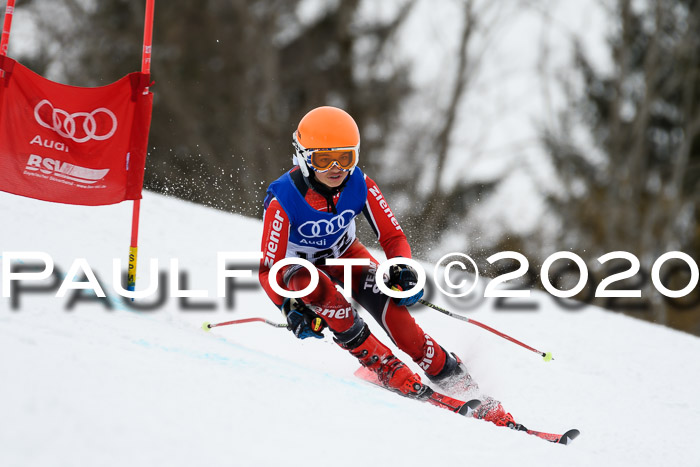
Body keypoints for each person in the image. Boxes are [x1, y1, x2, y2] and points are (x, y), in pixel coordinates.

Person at [258, 106, 513, 426]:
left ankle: (452, 376)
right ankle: (385, 366)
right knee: (328, 298)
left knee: (400, 320)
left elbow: (392, 236)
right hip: (299, 269)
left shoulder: (360, 184)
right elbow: (270, 268)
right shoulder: (283, 198)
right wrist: (289, 306)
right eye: (324, 159)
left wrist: (402, 268)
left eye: (346, 158)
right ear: (304, 158)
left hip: (346, 254)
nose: (336, 168)